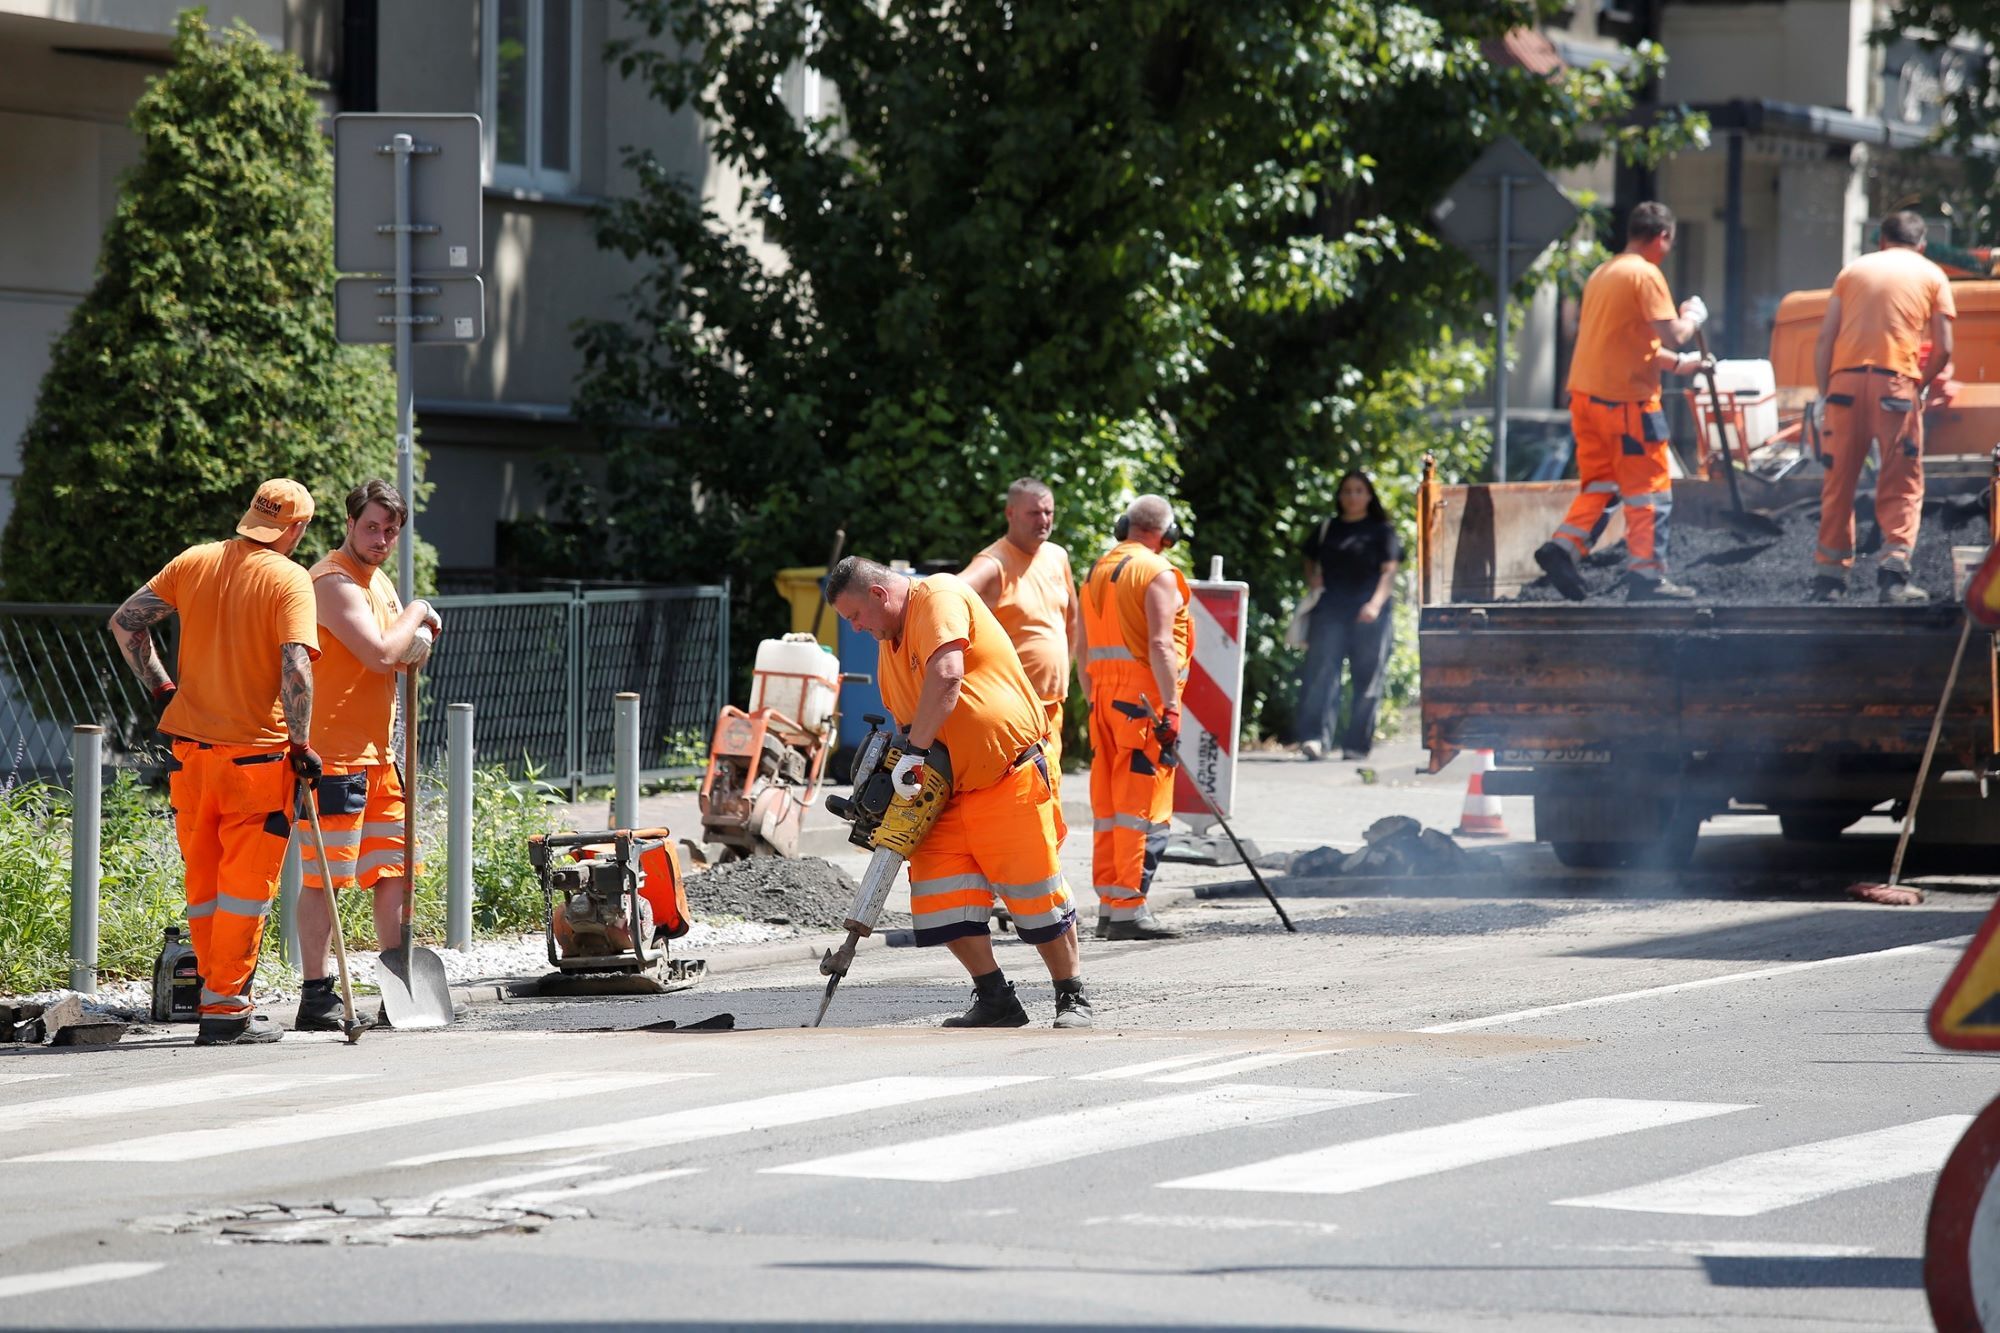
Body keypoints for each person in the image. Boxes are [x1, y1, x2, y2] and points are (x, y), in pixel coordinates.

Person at [825, 556, 1092, 1028]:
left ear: (879, 595)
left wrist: (914, 752)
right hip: (944, 791)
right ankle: (995, 999)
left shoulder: (938, 597)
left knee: (1037, 898)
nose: (858, 628)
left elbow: (948, 675)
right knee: (940, 903)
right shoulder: (890, 642)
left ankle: (1071, 996)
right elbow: (906, 722)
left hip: (1005, 778)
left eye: (855, 617)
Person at [107, 479, 320, 1046]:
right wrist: (301, 744)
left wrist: (162, 689)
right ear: (296, 528)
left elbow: (126, 622)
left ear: (252, 515)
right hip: (257, 757)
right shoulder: (289, 578)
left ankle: (213, 996)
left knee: (205, 884)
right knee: (244, 889)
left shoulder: (196, 560)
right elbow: (296, 664)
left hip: (190, 758)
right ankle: (226, 1009)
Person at [293, 480, 444, 1031]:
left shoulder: (378, 583)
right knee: (324, 881)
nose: (381, 539)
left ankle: (395, 989)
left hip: (382, 759)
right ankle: (316, 995)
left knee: (395, 874)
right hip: (334, 757)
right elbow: (383, 653)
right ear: (351, 523)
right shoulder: (332, 581)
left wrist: (415, 639)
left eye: (390, 531)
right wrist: (421, 610)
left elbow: (404, 656)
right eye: (372, 527)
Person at [1535, 201, 1711, 602]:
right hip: (1626, 405)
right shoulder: (1644, 275)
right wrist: (1694, 316)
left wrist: (1682, 366)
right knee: (1649, 489)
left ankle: (1563, 548)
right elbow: (1675, 334)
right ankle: (1647, 577)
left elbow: (1625, 343)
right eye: (1669, 243)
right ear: (1662, 236)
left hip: (1585, 398)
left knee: (1603, 485)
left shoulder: (1604, 273)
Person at [1808, 210, 1956, 603]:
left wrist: (1827, 394)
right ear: (1922, 245)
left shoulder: (1852, 271)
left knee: (1838, 481)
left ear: (1881, 241)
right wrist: (1920, 388)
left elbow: (1825, 340)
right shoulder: (1932, 274)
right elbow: (1944, 348)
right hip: (1895, 385)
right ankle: (1892, 577)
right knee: (1901, 481)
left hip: (1843, 386)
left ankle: (1829, 580)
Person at [1081, 494, 1192, 941]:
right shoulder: (1157, 573)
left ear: (1124, 524)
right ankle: (1129, 908)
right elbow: (1162, 646)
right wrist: (1171, 708)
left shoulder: (1097, 570)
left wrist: (1092, 698)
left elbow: (1081, 646)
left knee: (1110, 807)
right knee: (1141, 809)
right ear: (1167, 534)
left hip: (1105, 704)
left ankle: (1111, 904)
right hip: (1143, 707)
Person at [958, 477, 1082, 784]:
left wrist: (1062, 666)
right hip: (1012, 707)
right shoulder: (994, 561)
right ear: (1010, 513)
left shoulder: (1057, 556)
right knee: (1020, 792)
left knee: (1048, 785)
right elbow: (950, 592)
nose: (1044, 521)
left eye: (1049, 512)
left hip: (1051, 704)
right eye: (1034, 513)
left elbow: (1073, 618)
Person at [1297, 471, 1400, 762]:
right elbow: (1308, 556)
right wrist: (1313, 579)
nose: (1353, 496)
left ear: (1369, 495)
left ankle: (1356, 745)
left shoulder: (1383, 531)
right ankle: (1316, 739)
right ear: (1340, 496)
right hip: (1330, 611)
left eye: (1359, 490)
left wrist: (1375, 604)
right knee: (1322, 676)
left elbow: (1389, 571)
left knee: (1367, 680)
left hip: (1370, 614)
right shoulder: (1328, 528)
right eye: (1347, 491)